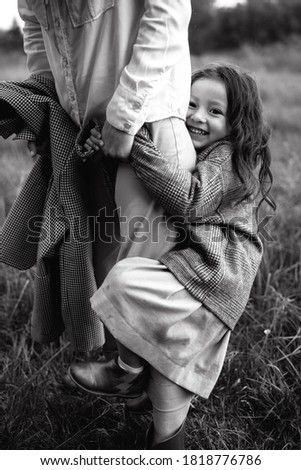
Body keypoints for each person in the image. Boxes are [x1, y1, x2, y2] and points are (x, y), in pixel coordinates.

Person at [69, 63, 276, 449]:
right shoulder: (193, 151)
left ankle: (128, 372)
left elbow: (190, 201)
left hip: (213, 276)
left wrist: (134, 142)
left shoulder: (228, 157)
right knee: (169, 363)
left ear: (237, 123)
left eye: (215, 111)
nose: (198, 117)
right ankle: (165, 444)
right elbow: (147, 189)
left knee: (125, 279)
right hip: (202, 276)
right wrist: (107, 155)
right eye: (190, 104)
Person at [17, 0, 194, 356]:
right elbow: (37, 35)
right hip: (88, 135)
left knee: (143, 274)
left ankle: (158, 389)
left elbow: (168, 12)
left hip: (146, 123)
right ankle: (120, 374)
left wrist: (123, 115)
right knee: (104, 263)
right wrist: (42, 109)